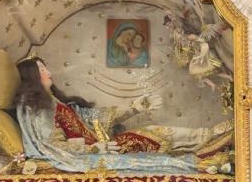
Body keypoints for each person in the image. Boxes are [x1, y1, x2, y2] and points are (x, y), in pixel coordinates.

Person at [13, 57, 222, 174]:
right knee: (155, 135)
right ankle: (208, 143)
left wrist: (134, 108)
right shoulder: (35, 106)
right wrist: (93, 148)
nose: (49, 73)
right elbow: (52, 145)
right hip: (97, 152)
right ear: (31, 74)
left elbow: (92, 117)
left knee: (153, 133)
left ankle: (209, 138)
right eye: (42, 69)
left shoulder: (54, 102)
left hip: (104, 146)